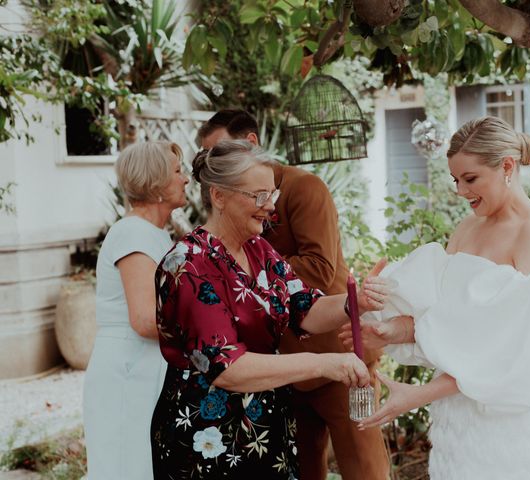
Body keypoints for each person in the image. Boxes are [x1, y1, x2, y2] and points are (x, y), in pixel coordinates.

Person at [340, 116, 530, 479]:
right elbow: (450, 319)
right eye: (456, 179)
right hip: (456, 420)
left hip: (510, 426)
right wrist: (393, 330)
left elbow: (522, 351)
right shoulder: (467, 228)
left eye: (470, 179)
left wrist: (417, 395)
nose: (460, 191)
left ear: (507, 167)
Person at [150, 140, 389, 479]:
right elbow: (227, 368)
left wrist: (355, 302)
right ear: (219, 196)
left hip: (266, 427)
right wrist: (324, 363)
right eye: (259, 196)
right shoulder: (188, 265)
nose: (270, 208)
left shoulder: (259, 249)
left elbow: (304, 307)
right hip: (209, 438)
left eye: (272, 195)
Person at [84, 141, 189, 479]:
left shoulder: (154, 233)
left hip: (145, 366)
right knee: (126, 468)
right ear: (156, 184)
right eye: (177, 171)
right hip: (126, 371)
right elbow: (144, 320)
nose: (185, 179)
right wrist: (207, 331)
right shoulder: (133, 234)